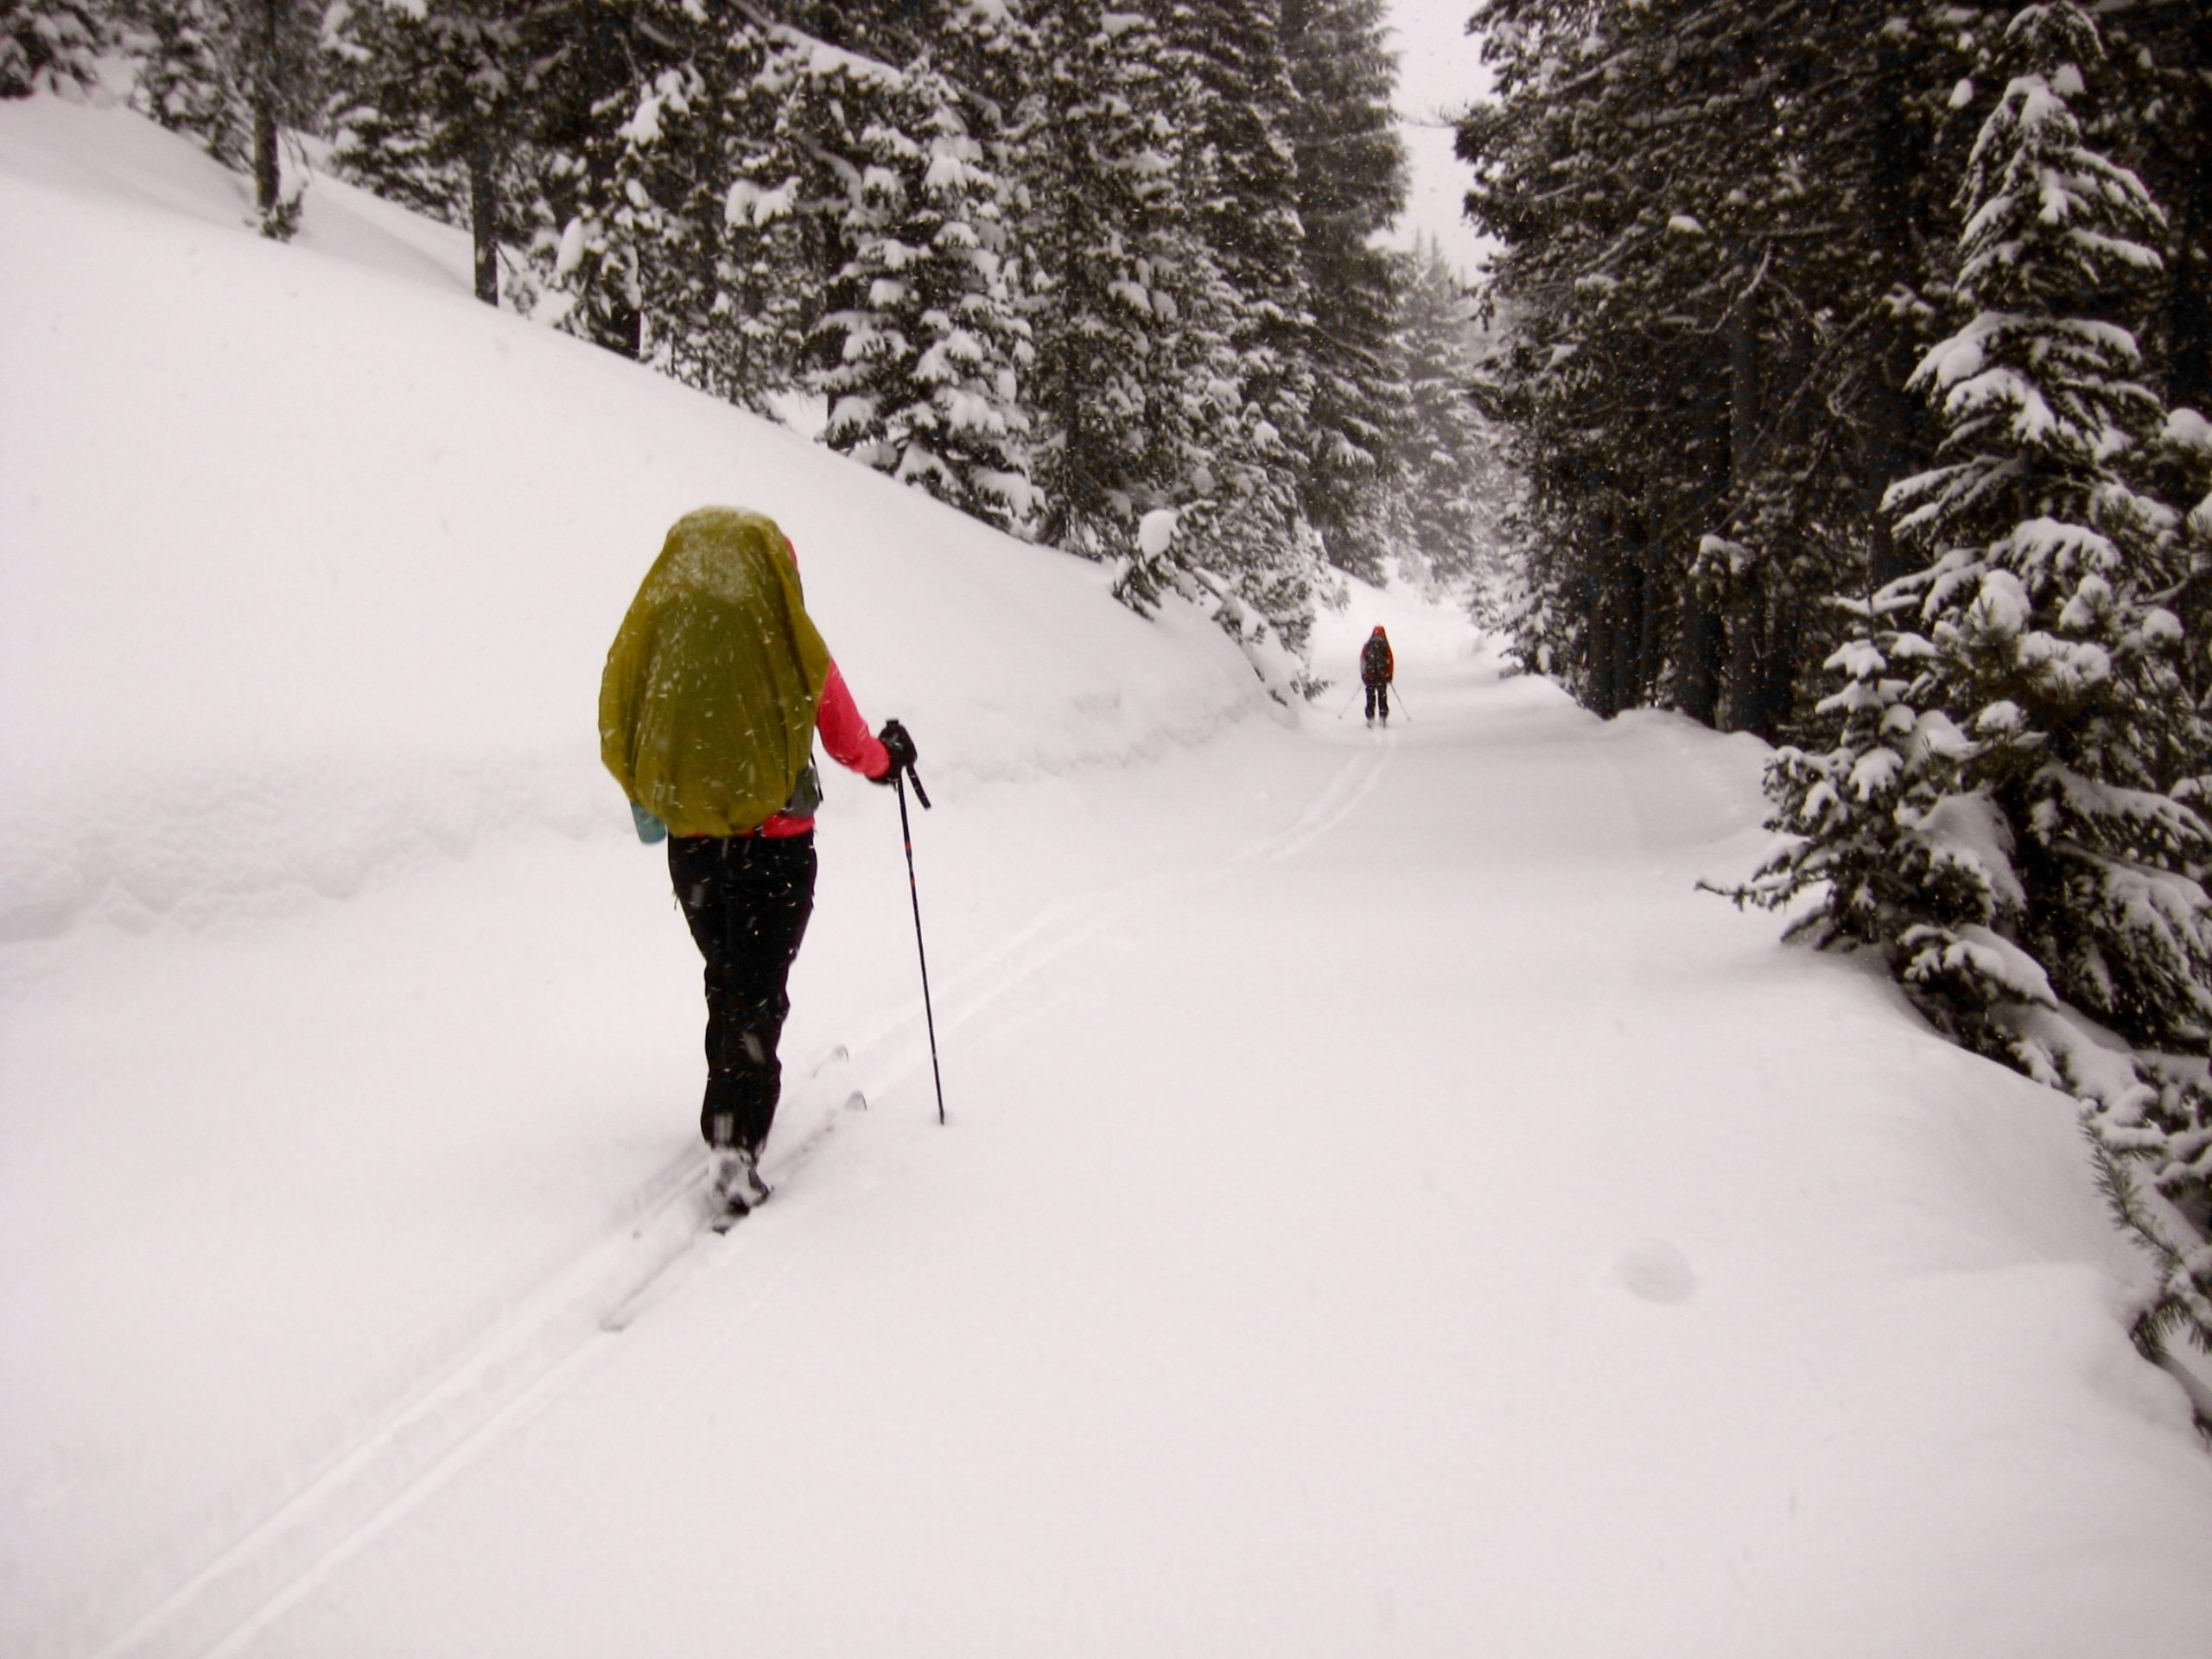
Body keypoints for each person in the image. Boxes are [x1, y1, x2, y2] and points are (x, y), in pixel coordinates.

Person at [600, 506, 917, 1217]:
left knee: (729, 976)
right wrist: (887, 760)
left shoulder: (661, 642)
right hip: (776, 847)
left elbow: (623, 720)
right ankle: (735, 1142)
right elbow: (846, 737)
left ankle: (727, 1117)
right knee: (758, 988)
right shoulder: (788, 640)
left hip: (693, 850)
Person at [1360, 625, 1394, 726]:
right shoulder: (1385, 645)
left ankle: (1370, 717)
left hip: (1370, 675)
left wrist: (1364, 674)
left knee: (1370, 697)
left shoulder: (1368, 645)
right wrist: (1389, 675)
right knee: (1382, 696)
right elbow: (1390, 661)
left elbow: (1363, 660)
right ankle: (1383, 717)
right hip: (1382, 676)